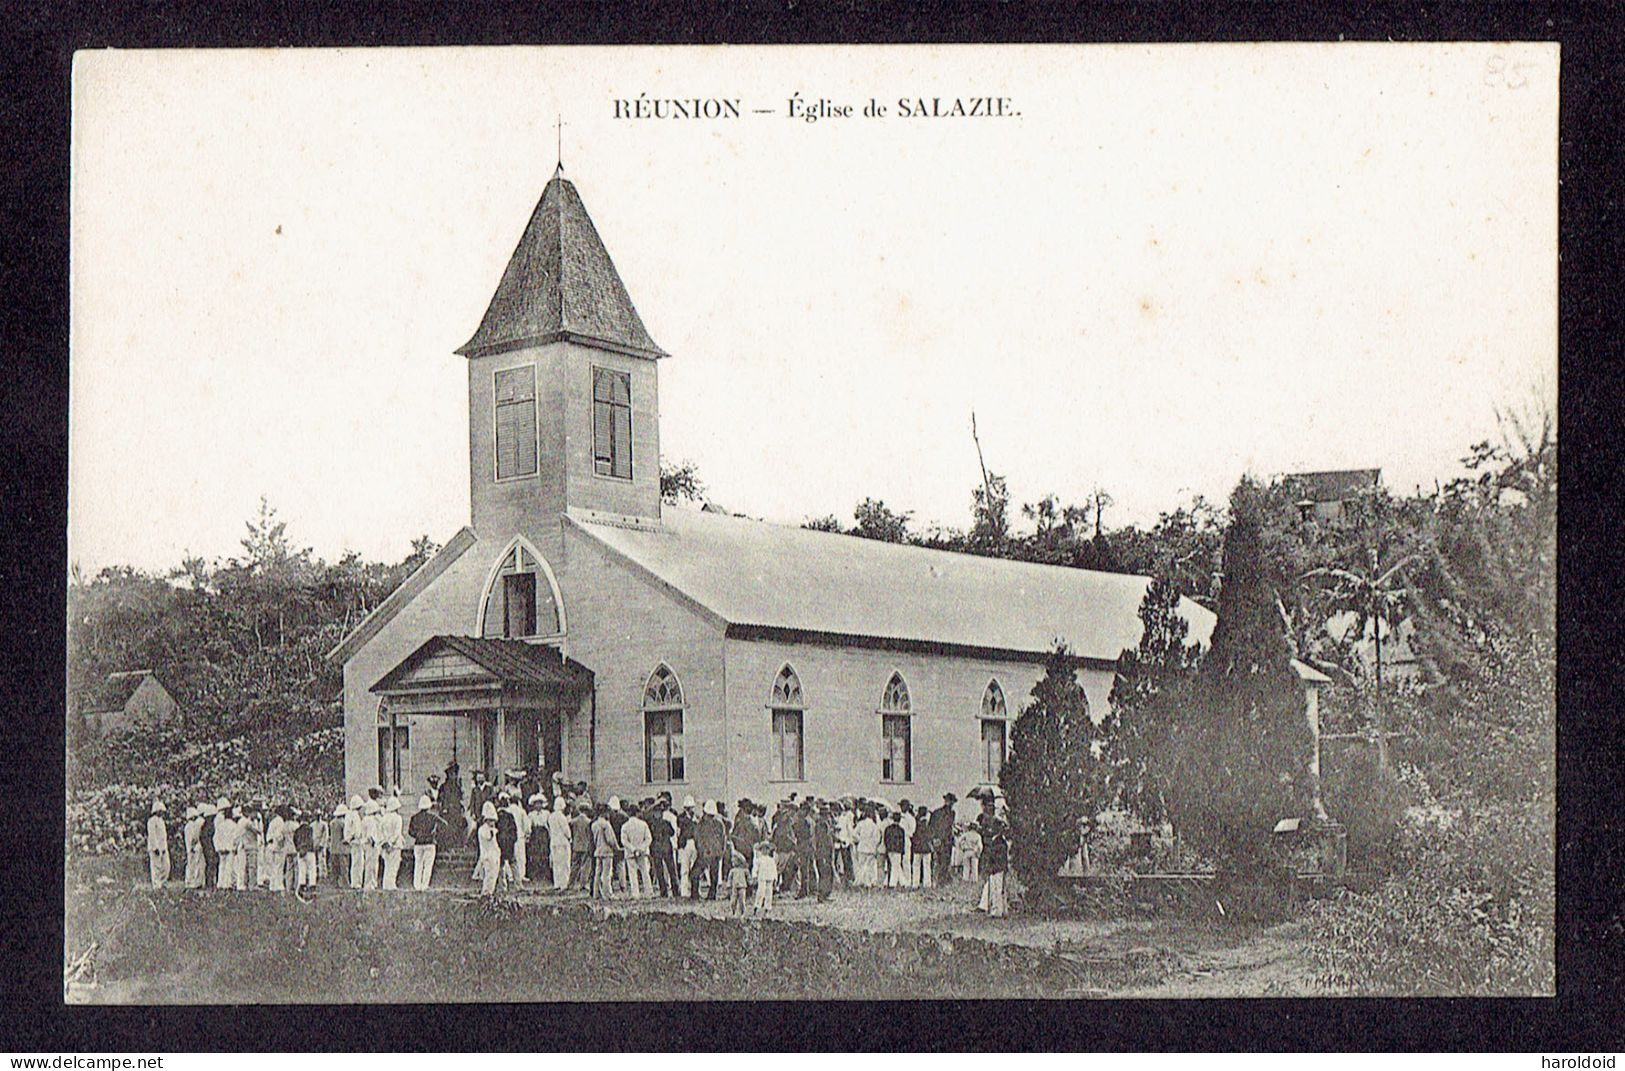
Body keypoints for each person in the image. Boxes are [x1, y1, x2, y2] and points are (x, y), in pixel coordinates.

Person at [408, 795, 445, 890]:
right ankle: (424, 885)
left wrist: (417, 835)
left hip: (418, 843)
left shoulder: (414, 818)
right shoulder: (433, 817)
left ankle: (417, 885)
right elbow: (444, 824)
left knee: (418, 864)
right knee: (428, 865)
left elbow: (410, 831)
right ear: (429, 806)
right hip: (430, 842)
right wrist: (435, 832)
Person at [694, 800, 726, 901]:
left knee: (714, 876)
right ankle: (695, 894)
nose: (710, 818)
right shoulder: (701, 825)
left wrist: (721, 852)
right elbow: (698, 839)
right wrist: (702, 851)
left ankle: (712, 895)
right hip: (705, 853)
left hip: (714, 853)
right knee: (695, 873)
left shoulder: (719, 824)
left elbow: (723, 838)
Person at [980, 815, 1009, 917]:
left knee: (996, 890)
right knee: (997, 889)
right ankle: (1001, 910)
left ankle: (997, 911)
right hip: (997, 868)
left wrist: (991, 867)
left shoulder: (998, 842)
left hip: (996, 868)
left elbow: (997, 857)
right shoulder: (998, 840)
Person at [621, 803, 652, 899]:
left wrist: (633, 849)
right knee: (645, 872)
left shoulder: (625, 826)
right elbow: (648, 839)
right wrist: (641, 848)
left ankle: (635, 893)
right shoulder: (643, 824)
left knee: (632, 873)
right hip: (643, 852)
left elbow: (624, 841)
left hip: (630, 853)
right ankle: (648, 892)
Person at [590, 803, 619, 900]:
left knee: (597, 873)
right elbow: (610, 839)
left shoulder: (594, 825)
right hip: (607, 851)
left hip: (598, 850)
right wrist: (616, 848)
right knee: (607, 874)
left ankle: (596, 893)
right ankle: (608, 894)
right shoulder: (606, 824)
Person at [545, 795, 572, 891]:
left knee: (556, 864)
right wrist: (569, 838)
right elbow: (566, 831)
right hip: (563, 842)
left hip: (554, 842)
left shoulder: (551, 817)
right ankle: (564, 884)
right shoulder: (562, 817)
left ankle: (557, 883)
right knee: (564, 864)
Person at [931, 794, 958, 886]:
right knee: (943, 861)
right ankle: (941, 880)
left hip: (944, 840)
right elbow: (938, 827)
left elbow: (933, 827)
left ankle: (943, 879)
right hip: (943, 840)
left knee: (943, 861)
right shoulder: (946, 813)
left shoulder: (938, 812)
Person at [495, 791, 520, 889]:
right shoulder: (510, 816)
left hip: (500, 842)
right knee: (513, 863)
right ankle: (518, 884)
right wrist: (513, 840)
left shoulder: (496, 816)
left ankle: (503, 886)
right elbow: (514, 830)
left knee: (501, 865)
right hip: (508, 843)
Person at [811, 802, 835, 902]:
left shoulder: (825, 823)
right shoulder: (821, 824)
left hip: (826, 851)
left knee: (828, 873)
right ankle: (822, 895)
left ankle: (825, 894)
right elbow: (821, 840)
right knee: (824, 874)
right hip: (823, 852)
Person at [477, 801, 501, 897]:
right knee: (489, 876)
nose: (492, 823)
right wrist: (493, 831)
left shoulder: (490, 829)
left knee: (493, 876)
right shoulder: (484, 829)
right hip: (487, 856)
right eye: (490, 821)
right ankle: (486, 894)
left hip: (493, 856)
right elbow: (489, 837)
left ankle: (489, 893)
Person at [675, 796, 698, 897]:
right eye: (688, 808)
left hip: (694, 843)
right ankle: (684, 891)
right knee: (684, 869)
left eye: (691, 807)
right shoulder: (681, 818)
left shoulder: (695, 817)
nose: (690, 809)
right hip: (685, 844)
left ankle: (694, 890)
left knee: (694, 868)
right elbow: (682, 827)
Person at [214, 800, 239, 889]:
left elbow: (216, 837)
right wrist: (234, 847)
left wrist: (218, 847)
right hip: (229, 848)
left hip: (222, 848)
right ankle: (227, 884)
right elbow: (236, 838)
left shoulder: (220, 826)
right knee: (230, 866)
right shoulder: (234, 825)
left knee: (222, 866)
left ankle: (220, 883)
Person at [853, 804, 880, 887]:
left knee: (861, 865)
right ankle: (871, 881)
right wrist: (874, 845)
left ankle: (861, 881)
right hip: (871, 848)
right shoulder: (874, 826)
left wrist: (859, 839)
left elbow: (854, 834)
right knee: (871, 866)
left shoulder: (861, 824)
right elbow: (877, 838)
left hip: (861, 847)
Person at [570, 801, 593, 891]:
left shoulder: (573, 821)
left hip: (576, 845)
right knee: (585, 866)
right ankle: (583, 884)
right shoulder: (588, 822)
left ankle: (571, 883)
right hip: (585, 846)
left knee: (575, 865)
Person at [750, 841, 778, 916]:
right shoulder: (759, 860)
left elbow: (774, 869)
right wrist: (754, 875)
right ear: (761, 850)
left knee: (769, 893)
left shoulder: (771, 860)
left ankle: (767, 908)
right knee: (760, 892)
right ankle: (757, 906)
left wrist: (775, 878)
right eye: (763, 849)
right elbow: (755, 868)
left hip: (770, 877)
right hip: (762, 877)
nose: (765, 851)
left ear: (769, 850)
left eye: (767, 849)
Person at [146, 801, 169, 888]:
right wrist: (155, 847)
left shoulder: (161, 821)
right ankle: (156, 884)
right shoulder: (151, 821)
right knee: (156, 866)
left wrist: (164, 847)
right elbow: (152, 835)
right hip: (155, 847)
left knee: (166, 865)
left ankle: (163, 882)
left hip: (163, 846)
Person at [344, 795, 365, 889]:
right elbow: (357, 830)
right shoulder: (355, 815)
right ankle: (357, 883)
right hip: (357, 841)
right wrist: (357, 836)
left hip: (352, 842)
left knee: (354, 863)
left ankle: (354, 882)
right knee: (358, 863)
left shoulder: (348, 814)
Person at [265, 805, 288, 892]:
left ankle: (273, 885)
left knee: (273, 866)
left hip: (271, 845)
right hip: (277, 846)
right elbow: (279, 835)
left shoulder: (274, 821)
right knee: (278, 866)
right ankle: (278, 885)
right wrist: (281, 843)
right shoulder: (280, 821)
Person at [293, 809, 318, 889]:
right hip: (309, 850)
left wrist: (298, 848)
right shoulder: (310, 829)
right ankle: (312, 884)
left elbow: (295, 840)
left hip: (300, 851)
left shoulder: (297, 830)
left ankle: (302, 884)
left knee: (302, 869)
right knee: (312, 868)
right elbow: (311, 840)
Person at [912, 805, 935, 888]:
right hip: (926, 848)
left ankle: (915, 883)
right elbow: (931, 835)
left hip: (917, 847)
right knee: (927, 866)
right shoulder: (928, 825)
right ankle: (927, 883)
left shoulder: (916, 823)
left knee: (916, 865)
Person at [360, 799, 382, 890]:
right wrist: (374, 842)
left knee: (369, 864)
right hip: (371, 845)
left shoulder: (365, 819)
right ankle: (370, 884)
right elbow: (371, 834)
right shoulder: (371, 820)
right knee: (372, 865)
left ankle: (370, 883)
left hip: (366, 844)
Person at [882, 811, 907, 888]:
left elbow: (885, 840)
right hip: (898, 850)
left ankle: (902, 882)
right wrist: (902, 851)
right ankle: (892, 883)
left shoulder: (888, 829)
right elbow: (902, 842)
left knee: (894, 865)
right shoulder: (901, 830)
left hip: (890, 849)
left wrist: (887, 848)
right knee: (896, 866)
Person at [198, 801, 220, 889]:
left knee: (211, 864)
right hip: (209, 846)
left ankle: (211, 882)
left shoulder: (206, 826)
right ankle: (209, 883)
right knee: (211, 864)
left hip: (209, 846)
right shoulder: (208, 827)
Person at [183, 805, 204, 888]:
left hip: (189, 848)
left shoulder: (187, 826)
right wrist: (192, 846)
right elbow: (193, 837)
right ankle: (192, 881)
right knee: (194, 864)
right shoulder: (192, 825)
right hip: (192, 847)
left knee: (190, 864)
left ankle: (189, 881)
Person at [897, 802, 917, 888]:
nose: (902, 807)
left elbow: (912, 831)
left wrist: (903, 832)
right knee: (897, 861)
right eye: (901, 806)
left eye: (903, 806)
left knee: (906, 861)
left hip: (906, 839)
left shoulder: (910, 818)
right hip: (898, 840)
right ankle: (901, 880)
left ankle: (907, 880)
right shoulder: (899, 817)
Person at [329, 802, 349, 885]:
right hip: (342, 848)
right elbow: (345, 835)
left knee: (335, 869)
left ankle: (335, 883)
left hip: (333, 848)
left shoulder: (332, 823)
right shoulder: (343, 823)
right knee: (344, 868)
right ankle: (345, 883)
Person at [727, 846, 749, 916]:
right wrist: (729, 884)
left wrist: (751, 881)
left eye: (734, 861)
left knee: (742, 900)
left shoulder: (744, 870)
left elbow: (748, 877)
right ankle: (732, 911)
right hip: (734, 887)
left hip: (742, 886)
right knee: (733, 900)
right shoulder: (732, 871)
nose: (733, 863)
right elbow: (730, 878)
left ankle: (742, 912)